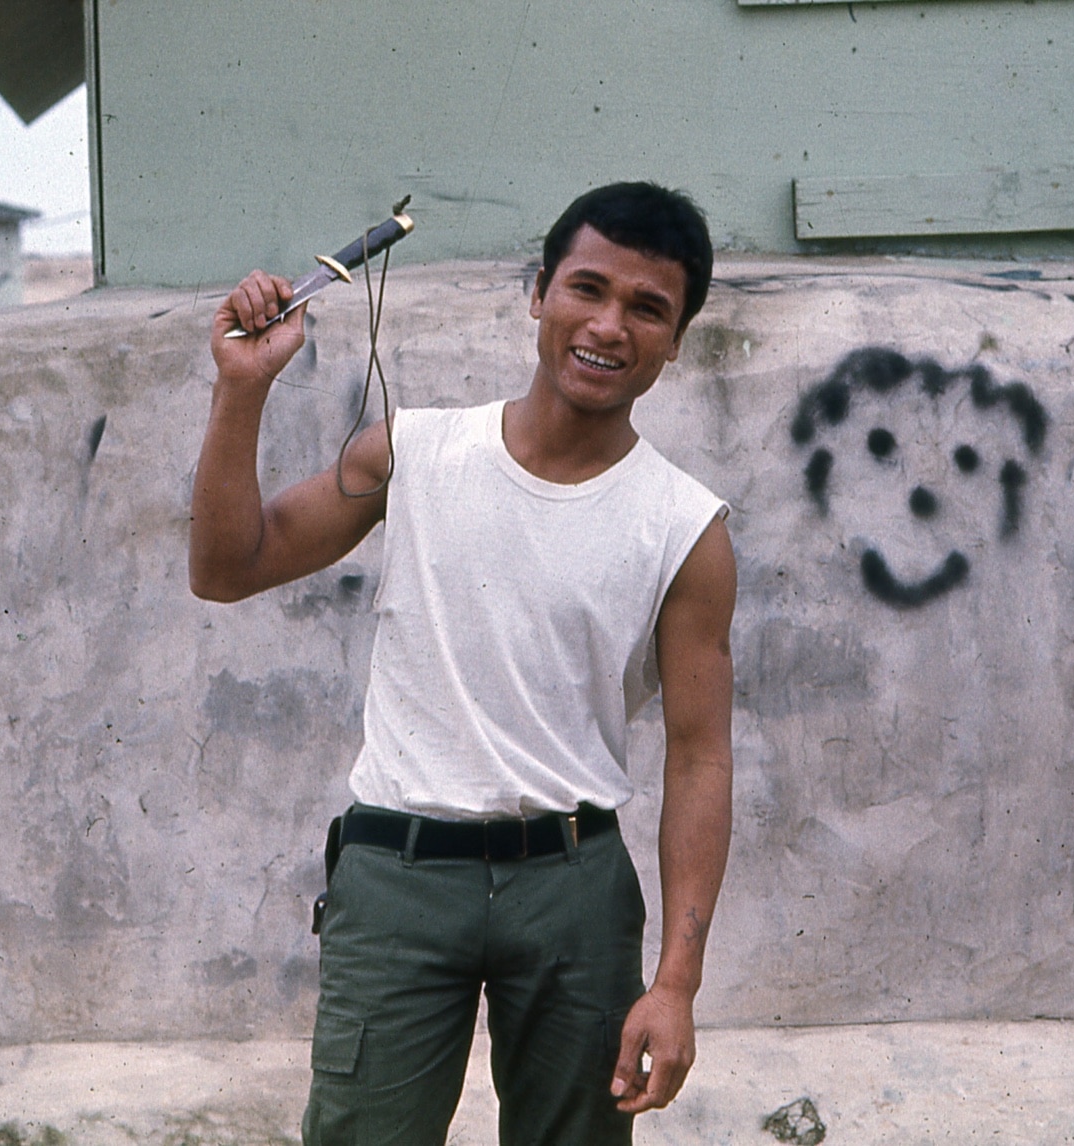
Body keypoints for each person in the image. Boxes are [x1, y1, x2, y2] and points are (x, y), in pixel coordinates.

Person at [189, 181, 736, 1145]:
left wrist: (676, 984)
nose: (609, 327)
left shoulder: (684, 528)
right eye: (586, 288)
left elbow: (700, 759)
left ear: (678, 338)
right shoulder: (416, 451)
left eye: (648, 308)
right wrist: (244, 389)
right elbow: (228, 569)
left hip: (573, 888)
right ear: (538, 293)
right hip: (398, 875)